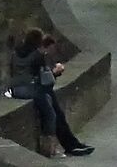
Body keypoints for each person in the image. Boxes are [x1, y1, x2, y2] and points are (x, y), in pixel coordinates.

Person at [11, 27, 92, 156]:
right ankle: (64, 145)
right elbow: (47, 80)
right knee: (54, 112)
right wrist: (56, 72)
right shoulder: (37, 55)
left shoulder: (15, 54)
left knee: (53, 103)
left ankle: (72, 144)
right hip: (33, 91)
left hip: (17, 90)